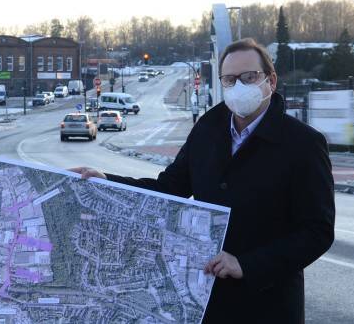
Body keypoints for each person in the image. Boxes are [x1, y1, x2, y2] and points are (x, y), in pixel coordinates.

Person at [70, 38, 334, 324]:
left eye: (250, 77)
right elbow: (168, 189)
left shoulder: (303, 144)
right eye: (230, 80)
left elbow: (317, 231)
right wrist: (107, 181)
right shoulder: (208, 129)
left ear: (270, 81)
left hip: (268, 305)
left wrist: (247, 265)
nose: (240, 86)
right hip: (207, 302)